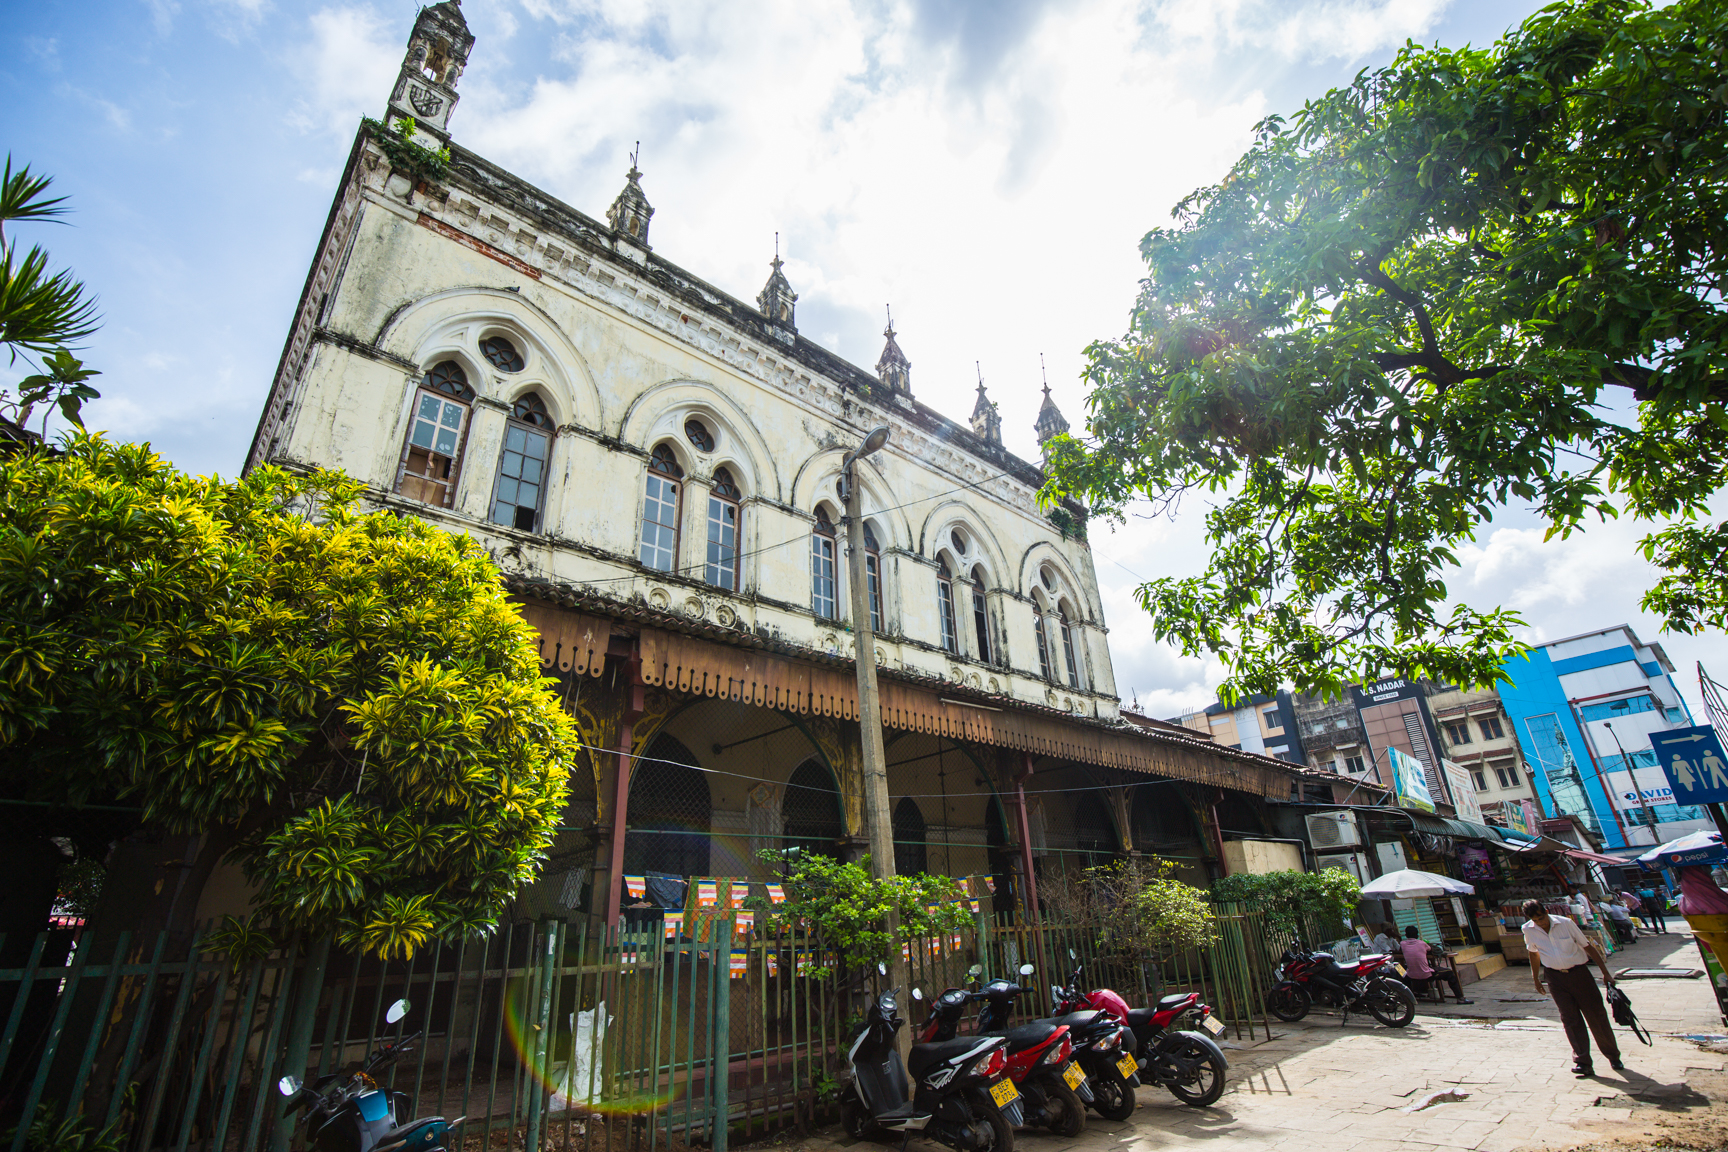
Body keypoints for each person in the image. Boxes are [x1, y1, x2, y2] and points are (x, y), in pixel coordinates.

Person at [1522, 899, 1623, 1077]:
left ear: (1546, 912)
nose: (1540, 922)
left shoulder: (1566, 923)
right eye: (1536, 920)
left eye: (1541, 918)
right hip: (1555, 977)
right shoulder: (1528, 930)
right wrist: (1536, 978)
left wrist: (1605, 973)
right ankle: (1583, 1061)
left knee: (1596, 1015)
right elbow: (1533, 953)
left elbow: (1588, 947)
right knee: (1570, 1019)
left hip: (1579, 974)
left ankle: (1613, 1056)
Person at [1399, 926, 1472, 1004]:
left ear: (1406, 935)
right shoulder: (1422, 943)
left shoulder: (1402, 944)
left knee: (1399, 970)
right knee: (1450, 973)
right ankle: (1460, 998)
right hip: (1427, 975)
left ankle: (1406, 997)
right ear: (1417, 935)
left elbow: (1400, 951)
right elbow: (1430, 949)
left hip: (1411, 976)